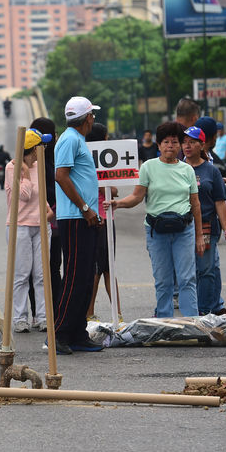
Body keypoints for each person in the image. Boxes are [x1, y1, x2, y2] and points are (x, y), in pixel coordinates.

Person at [106, 121, 204, 318]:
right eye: (166, 142)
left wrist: (200, 236)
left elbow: (195, 204)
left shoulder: (187, 170)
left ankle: (192, 321)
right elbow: (137, 196)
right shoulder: (149, 167)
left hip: (184, 230)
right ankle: (164, 320)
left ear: (179, 146)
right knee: (163, 279)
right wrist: (119, 203)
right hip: (156, 231)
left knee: (187, 278)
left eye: (174, 142)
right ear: (158, 145)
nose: (170, 146)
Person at [53, 97, 103, 354]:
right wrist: (84, 208)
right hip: (75, 217)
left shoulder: (76, 139)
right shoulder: (70, 139)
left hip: (84, 217)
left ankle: (77, 332)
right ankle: (60, 332)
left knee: (84, 276)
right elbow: (60, 176)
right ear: (87, 118)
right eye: (92, 115)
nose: (93, 119)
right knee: (74, 276)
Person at [181, 126, 226, 316]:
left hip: (207, 227)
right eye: (185, 142)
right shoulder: (176, 168)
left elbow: (220, 203)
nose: (187, 146)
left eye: (192, 142)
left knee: (206, 270)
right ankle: (193, 309)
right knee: (188, 273)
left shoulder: (212, 171)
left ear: (201, 145)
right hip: (182, 228)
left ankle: (204, 312)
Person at [5, 129, 53, 333]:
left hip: (41, 225)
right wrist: (24, 173)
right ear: (32, 150)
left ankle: (41, 317)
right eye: (39, 146)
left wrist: (47, 209)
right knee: (21, 275)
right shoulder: (12, 168)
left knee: (42, 275)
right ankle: (20, 317)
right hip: (20, 226)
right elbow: (24, 195)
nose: (43, 149)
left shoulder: (39, 165)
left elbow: (40, 195)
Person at [84, 123, 123, 323]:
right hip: (102, 218)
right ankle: (92, 313)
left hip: (103, 217)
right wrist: (111, 189)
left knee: (104, 269)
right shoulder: (94, 160)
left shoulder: (91, 158)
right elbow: (109, 189)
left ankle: (105, 313)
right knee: (102, 269)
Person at [30, 117, 61, 319]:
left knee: (41, 268)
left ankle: (43, 309)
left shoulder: (36, 162)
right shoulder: (47, 162)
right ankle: (51, 309)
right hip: (50, 219)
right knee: (50, 267)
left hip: (39, 219)